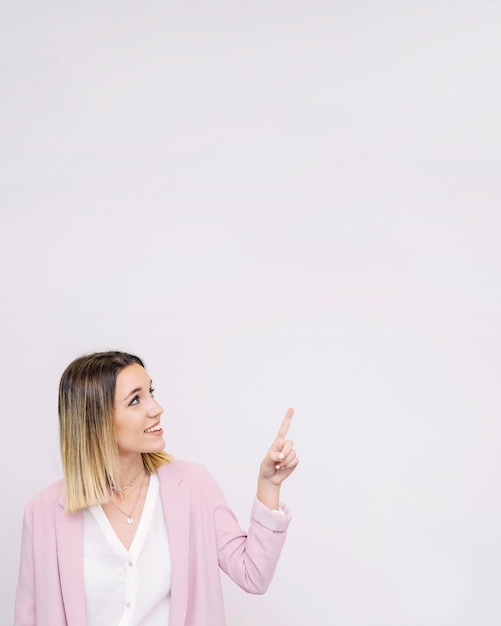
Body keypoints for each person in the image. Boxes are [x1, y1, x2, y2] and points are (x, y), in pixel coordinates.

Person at [14, 351, 298, 626]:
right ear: (96, 419)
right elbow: (29, 618)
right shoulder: (43, 513)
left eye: (151, 392)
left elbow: (253, 575)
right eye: (135, 400)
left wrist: (269, 487)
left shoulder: (194, 485)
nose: (156, 409)